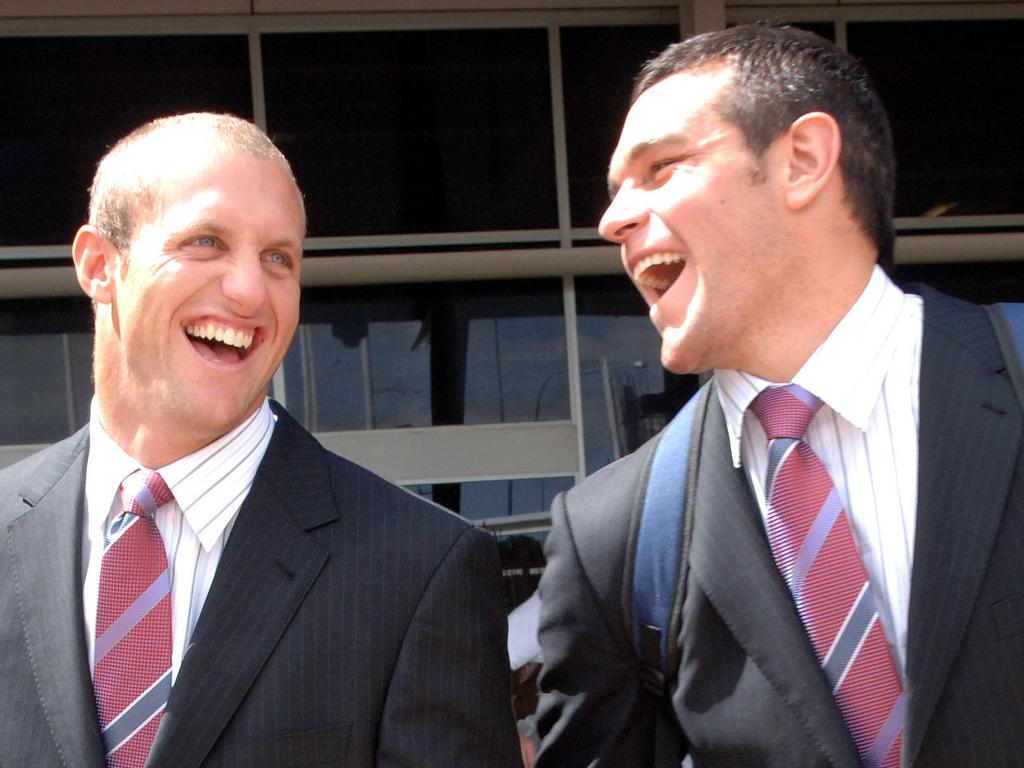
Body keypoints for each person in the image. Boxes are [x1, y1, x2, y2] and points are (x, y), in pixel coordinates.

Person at [533, 23, 1024, 768]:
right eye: (615, 192)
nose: (612, 220)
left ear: (802, 162)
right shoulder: (616, 537)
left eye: (662, 167)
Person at [0, 113, 521, 768]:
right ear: (99, 265)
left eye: (279, 258)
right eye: (206, 242)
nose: (250, 292)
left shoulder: (418, 571)